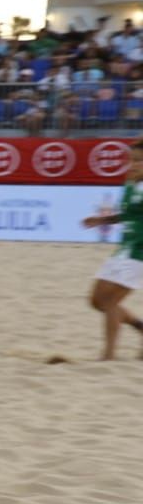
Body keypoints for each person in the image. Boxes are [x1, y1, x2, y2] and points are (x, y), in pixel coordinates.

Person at [83, 139, 143, 359]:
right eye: (132, 160)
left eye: (139, 161)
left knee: (109, 301)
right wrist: (101, 221)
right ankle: (140, 327)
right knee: (96, 300)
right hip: (124, 248)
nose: (133, 164)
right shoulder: (129, 184)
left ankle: (108, 355)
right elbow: (127, 215)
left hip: (139, 251)